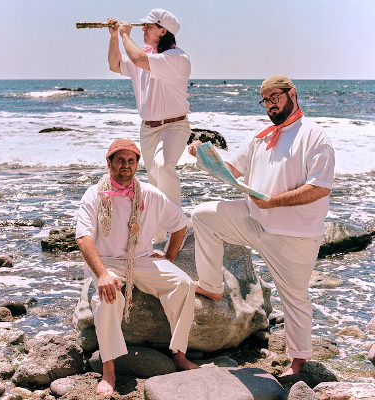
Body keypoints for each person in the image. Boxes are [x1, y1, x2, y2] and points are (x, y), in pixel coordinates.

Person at [188, 75, 335, 376]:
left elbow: (320, 187)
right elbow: (231, 170)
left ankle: (298, 362)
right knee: (203, 215)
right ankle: (211, 286)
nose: (270, 105)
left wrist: (275, 201)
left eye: (275, 97)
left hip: (294, 234)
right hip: (254, 219)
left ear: (292, 94)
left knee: (295, 297)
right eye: (265, 100)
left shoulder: (314, 135)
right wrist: (203, 157)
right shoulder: (260, 135)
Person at [76, 139, 198, 396]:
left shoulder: (150, 194)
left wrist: (169, 258)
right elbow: (83, 237)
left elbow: (180, 224)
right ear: (109, 163)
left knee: (184, 284)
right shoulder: (94, 194)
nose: (126, 165)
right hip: (108, 262)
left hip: (143, 259)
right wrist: (101, 274)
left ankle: (178, 354)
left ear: (137, 164)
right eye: (120, 160)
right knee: (107, 297)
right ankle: (109, 368)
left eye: (131, 160)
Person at [106, 8, 191, 243]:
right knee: (154, 181)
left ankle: (178, 228)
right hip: (148, 129)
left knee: (163, 167)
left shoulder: (176, 57)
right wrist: (114, 36)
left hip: (174, 125)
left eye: (148, 25)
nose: (143, 28)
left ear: (163, 31)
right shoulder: (143, 54)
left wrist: (125, 34)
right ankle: (160, 238)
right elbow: (115, 65)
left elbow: (137, 59)